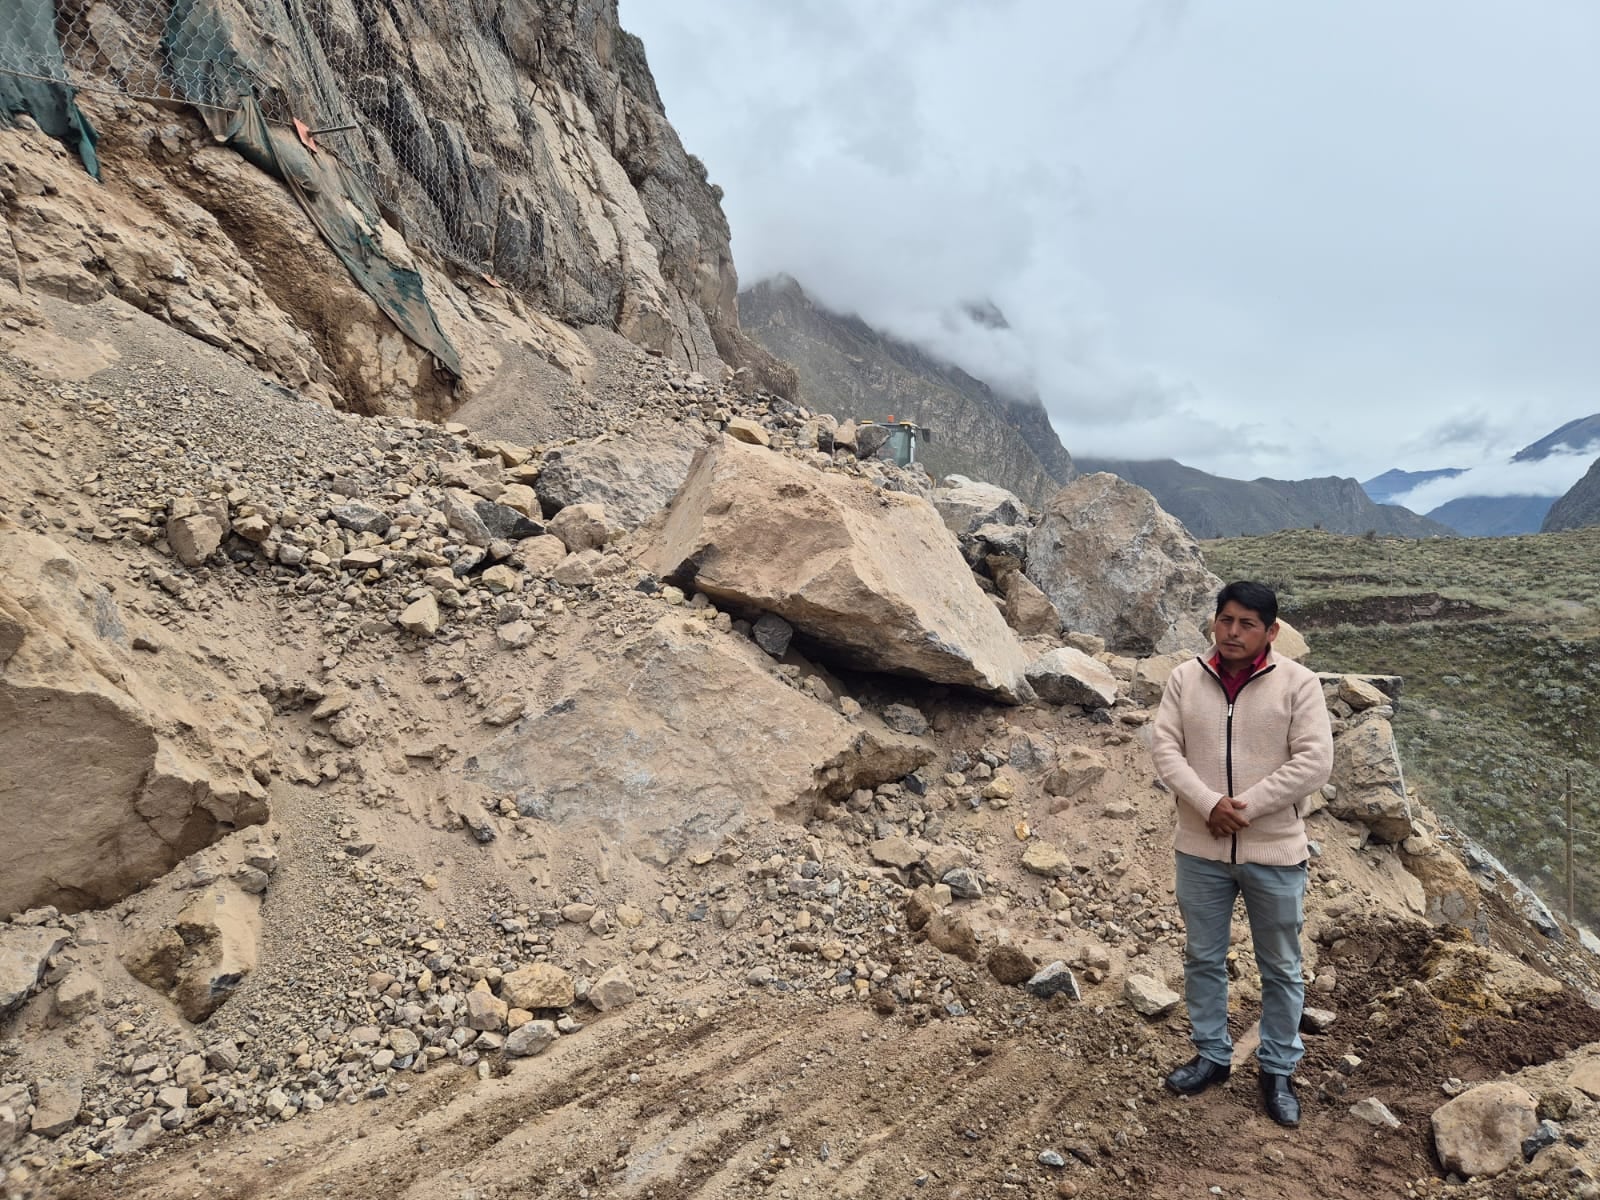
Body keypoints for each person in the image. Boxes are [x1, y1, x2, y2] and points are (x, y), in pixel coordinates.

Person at [1150, 580, 1333, 1128]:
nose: (1233, 632)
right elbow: (1164, 748)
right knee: (1204, 956)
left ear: (1271, 631)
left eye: (1247, 623)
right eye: (1225, 620)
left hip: (1274, 851)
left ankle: (1277, 1068)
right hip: (1200, 848)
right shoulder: (1185, 679)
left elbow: (1314, 762)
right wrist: (1209, 804)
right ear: (1214, 621)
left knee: (1281, 966)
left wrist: (1244, 808)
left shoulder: (1299, 685)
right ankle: (1211, 1054)